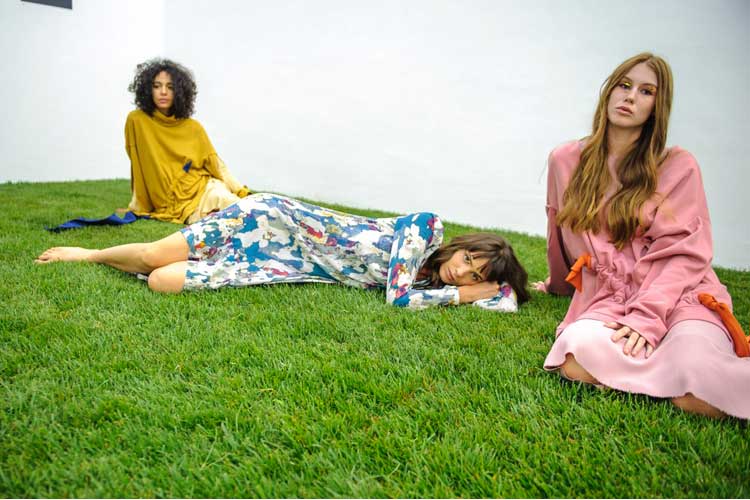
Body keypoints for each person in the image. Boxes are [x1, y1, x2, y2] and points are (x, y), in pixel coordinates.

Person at [535, 53, 749, 419]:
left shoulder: (678, 165)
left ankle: (676, 370)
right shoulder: (565, 159)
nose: (630, 97)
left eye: (646, 91)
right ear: (609, 91)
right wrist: (558, 285)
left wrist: (646, 318)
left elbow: (683, 254)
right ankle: (666, 376)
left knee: (697, 387)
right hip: (612, 297)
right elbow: (560, 232)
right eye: (624, 85)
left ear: (656, 108)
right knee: (574, 353)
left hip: (679, 295)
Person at [36, 193, 530, 311]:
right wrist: (462, 296)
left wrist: (512, 287)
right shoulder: (427, 228)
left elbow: (506, 297)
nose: (461, 272)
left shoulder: (427, 283)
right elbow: (397, 298)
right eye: (468, 259)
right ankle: (89, 253)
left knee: (163, 281)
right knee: (152, 257)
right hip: (270, 219)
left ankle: (157, 257)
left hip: (279, 261)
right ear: (462, 245)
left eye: (473, 275)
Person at [125, 58, 250, 224]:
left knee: (237, 208)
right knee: (211, 223)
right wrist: (139, 204)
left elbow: (216, 165)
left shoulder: (193, 128)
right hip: (176, 204)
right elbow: (138, 164)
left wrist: (240, 191)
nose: (163, 92)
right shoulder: (137, 121)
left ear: (179, 92)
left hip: (205, 188)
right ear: (148, 89)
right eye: (157, 86)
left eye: (170, 87)